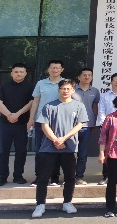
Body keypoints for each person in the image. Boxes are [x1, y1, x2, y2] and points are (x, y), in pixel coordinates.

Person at [31, 79, 88, 219]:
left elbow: (79, 124)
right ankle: (40, 204)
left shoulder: (79, 106)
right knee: (43, 177)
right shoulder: (49, 106)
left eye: (68, 89)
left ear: (73, 90)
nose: (65, 91)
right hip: (49, 148)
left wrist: (64, 139)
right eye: (63, 88)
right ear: (59, 90)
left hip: (69, 147)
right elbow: (44, 125)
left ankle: (67, 202)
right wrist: (55, 140)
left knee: (70, 177)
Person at [0, 62, 34, 186]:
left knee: (21, 151)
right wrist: (9, 115)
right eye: (16, 72)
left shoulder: (31, 87)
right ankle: (2, 177)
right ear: (11, 73)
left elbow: (32, 103)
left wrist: (17, 114)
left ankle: (18, 176)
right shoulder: (4, 86)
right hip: (5, 124)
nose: (19, 74)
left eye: (21, 72)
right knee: (2, 151)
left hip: (22, 124)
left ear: (26, 73)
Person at [27, 60, 65, 187]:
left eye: (58, 68)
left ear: (62, 70)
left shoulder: (65, 83)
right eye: (52, 68)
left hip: (59, 122)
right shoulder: (41, 83)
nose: (55, 70)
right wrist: (31, 118)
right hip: (41, 121)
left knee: (56, 149)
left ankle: (54, 177)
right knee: (40, 151)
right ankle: (40, 177)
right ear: (48, 69)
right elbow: (35, 102)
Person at [72, 68, 100, 186]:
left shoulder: (95, 91)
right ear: (79, 77)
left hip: (87, 125)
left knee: (82, 154)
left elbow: (95, 107)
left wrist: (94, 122)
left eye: (89, 75)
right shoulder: (72, 90)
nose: (87, 77)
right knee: (70, 153)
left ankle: (79, 176)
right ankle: (69, 177)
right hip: (71, 126)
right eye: (84, 75)